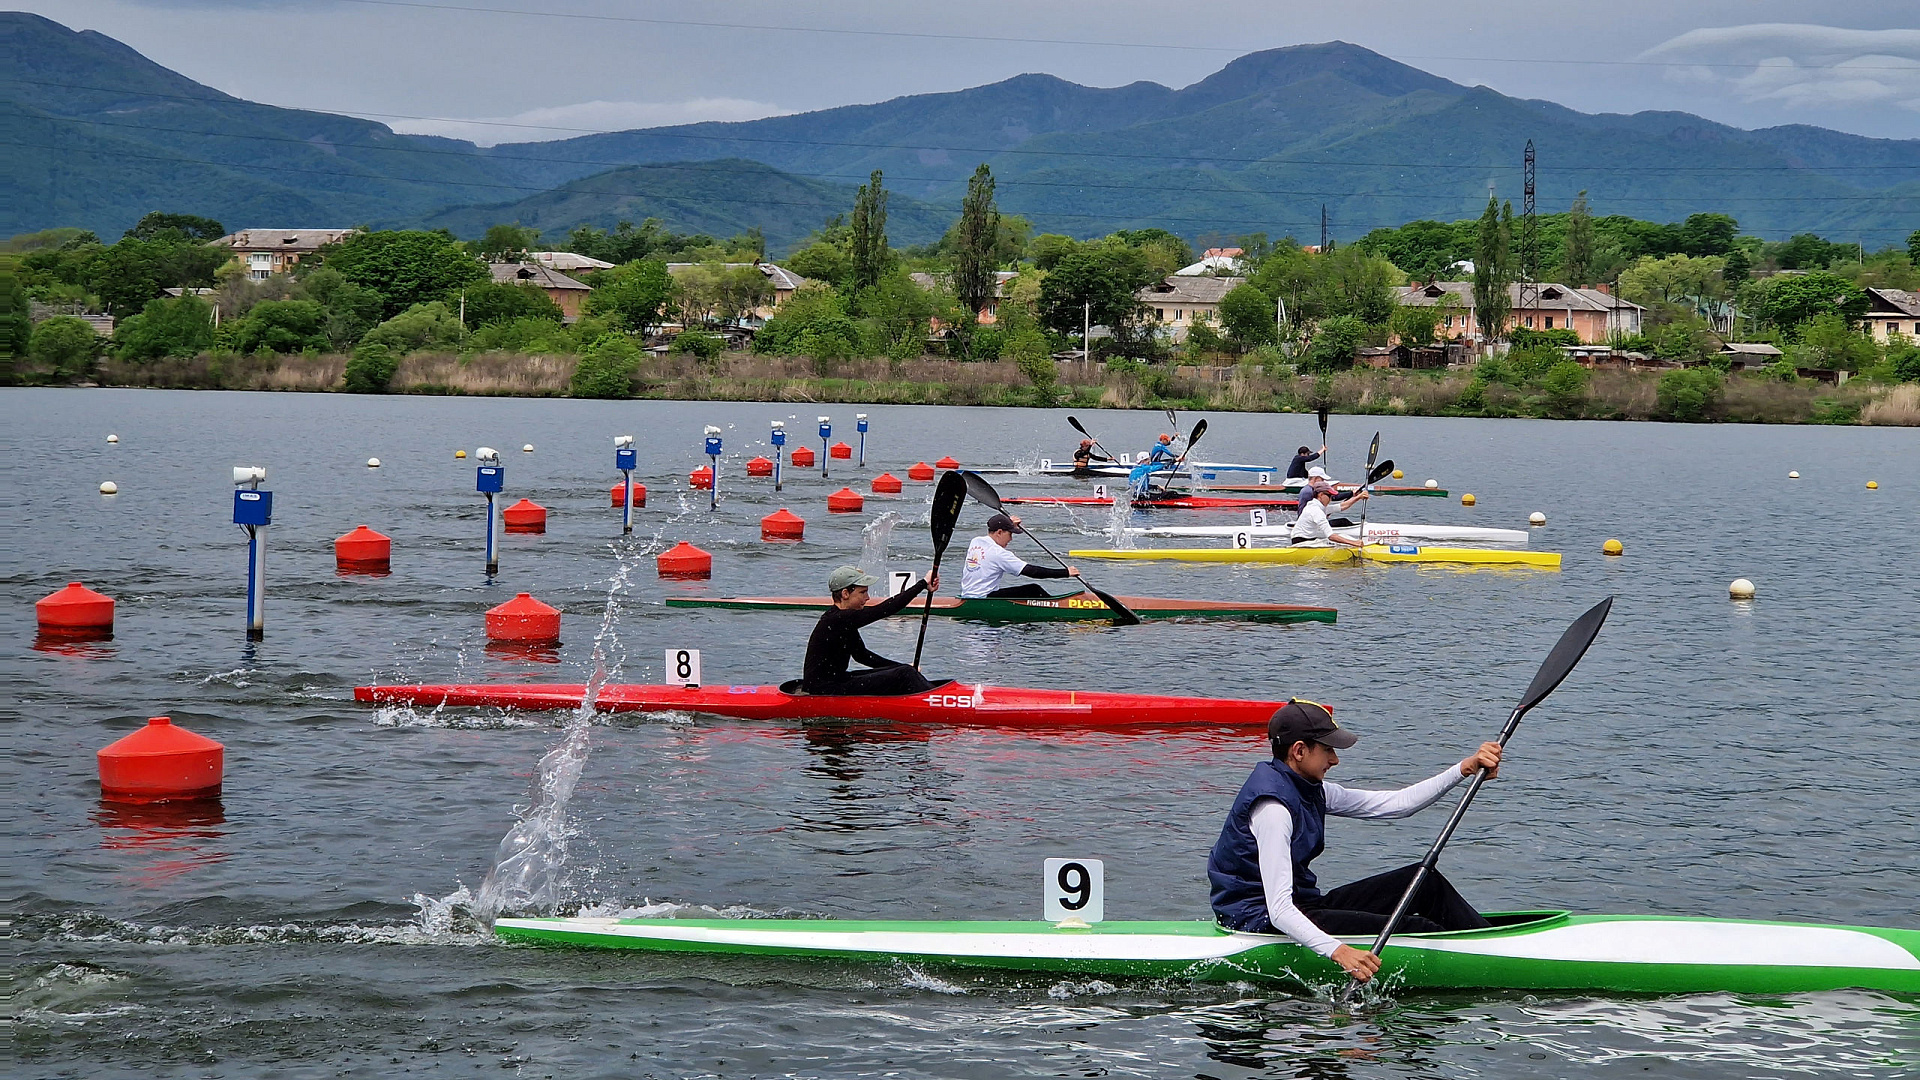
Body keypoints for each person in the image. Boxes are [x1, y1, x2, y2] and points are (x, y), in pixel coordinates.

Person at [1207, 700, 1501, 982]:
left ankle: (1498, 945)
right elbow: (1280, 910)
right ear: (1299, 751)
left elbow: (1397, 804)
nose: (1334, 759)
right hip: (1259, 922)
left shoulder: (1309, 789)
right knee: (1417, 928)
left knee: (1424, 883)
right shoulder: (1273, 810)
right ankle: (1493, 960)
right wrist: (1340, 952)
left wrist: (1464, 769)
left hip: (1304, 906)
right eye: (1327, 750)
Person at [801, 566, 940, 696]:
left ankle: (933, 693)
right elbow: (885, 610)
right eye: (862, 592)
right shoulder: (837, 619)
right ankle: (937, 699)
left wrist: (903, 667)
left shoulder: (843, 620)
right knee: (904, 673)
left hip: (834, 682)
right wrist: (922, 584)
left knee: (905, 671)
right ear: (845, 593)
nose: (867, 598)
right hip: (822, 690)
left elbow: (863, 656)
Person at [960, 514, 1080, 598]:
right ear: (999, 532)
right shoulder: (999, 554)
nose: (1011, 539)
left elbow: (995, 524)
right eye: (1010, 534)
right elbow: (1032, 572)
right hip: (984, 598)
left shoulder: (976, 542)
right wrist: (1066, 572)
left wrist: (1008, 522)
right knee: (1034, 590)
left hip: (968, 594)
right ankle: (1057, 608)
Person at [1291, 484, 1368, 547]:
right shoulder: (1315, 510)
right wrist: (1354, 543)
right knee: (1343, 541)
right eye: (1329, 496)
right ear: (1321, 495)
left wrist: (1358, 497)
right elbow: (1331, 536)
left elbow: (1342, 506)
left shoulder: (1317, 506)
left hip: (1309, 541)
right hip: (1302, 543)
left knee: (1343, 537)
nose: (1331, 499)